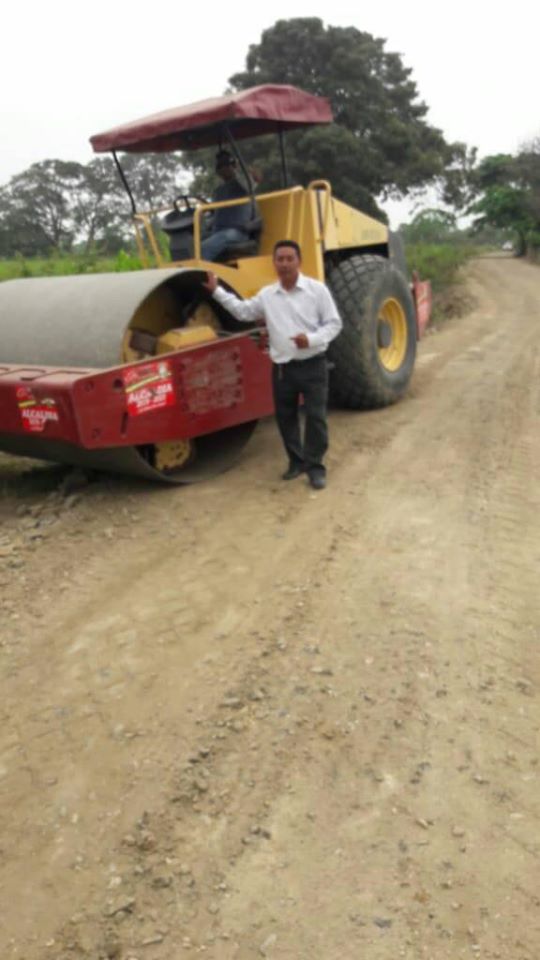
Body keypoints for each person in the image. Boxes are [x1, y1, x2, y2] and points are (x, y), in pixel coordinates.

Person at [203, 240, 342, 489]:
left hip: (313, 365)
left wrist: (311, 339)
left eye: (290, 259)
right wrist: (216, 292)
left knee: (316, 418)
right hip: (282, 370)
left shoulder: (317, 290)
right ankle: (296, 462)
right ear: (274, 263)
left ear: (299, 261)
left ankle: (315, 467)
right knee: (285, 418)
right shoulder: (267, 295)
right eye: (280, 259)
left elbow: (334, 324)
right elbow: (243, 311)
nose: (285, 264)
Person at [201, 150, 251, 262]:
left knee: (204, 248)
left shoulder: (241, 184)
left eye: (226, 165)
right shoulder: (219, 190)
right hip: (218, 230)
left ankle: (201, 272)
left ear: (233, 166)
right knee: (192, 243)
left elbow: (252, 182)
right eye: (219, 166)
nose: (222, 169)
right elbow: (216, 213)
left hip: (237, 231)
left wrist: (238, 169)